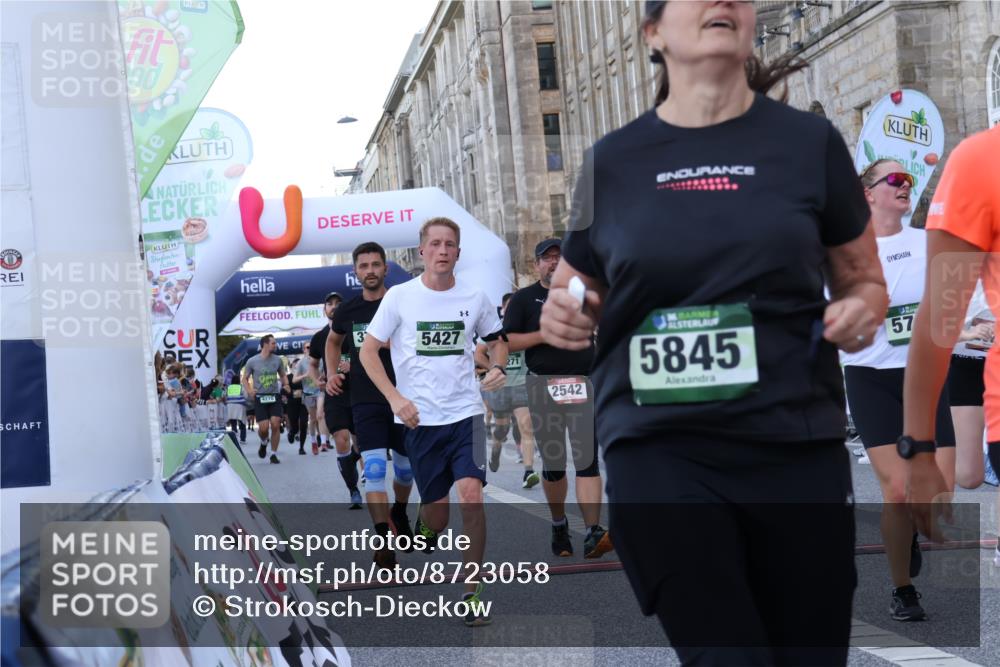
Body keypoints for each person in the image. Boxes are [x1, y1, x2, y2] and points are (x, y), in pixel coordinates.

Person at [540, 1, 886, 662]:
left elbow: (863, 279)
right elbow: (576, 286)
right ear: (654, 34)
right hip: (660, 447)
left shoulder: (809, 146)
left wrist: (862, 310)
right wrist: (567, 310)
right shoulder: (607, 163)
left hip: (793, 442)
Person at [361, 217, 508, 626]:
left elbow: (498, 341)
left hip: (467, 415)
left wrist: (498, 367)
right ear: (422, 252)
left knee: (472, 496)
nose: (443, 250)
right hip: (421, 422)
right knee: (438, 516)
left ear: (458, 253)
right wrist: (395, 399)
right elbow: (368, 353)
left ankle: (471, 592)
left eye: (450, 244)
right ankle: (426, 530)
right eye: (435, 244)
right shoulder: (400, 298)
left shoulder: (475, 297)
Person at [841, 159, 956, 622]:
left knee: (938, 492)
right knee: (898, 489)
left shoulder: (928, 243)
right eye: (895, 180)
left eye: (908, 178)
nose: (906, 185)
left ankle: (909, 529)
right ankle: (902, 589)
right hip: (870, 376)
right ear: (868, 193)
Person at [902, 125, 1000, 568]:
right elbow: (939, 319)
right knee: (967, 475)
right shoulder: (980, 160)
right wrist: (920, 446)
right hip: (977, 370)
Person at [505, 238, 609, 557]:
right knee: (553, 464)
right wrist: (543, 335)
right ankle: (559, 523)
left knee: (587, 460)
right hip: (543, 386)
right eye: (548, 258)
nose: (554, 262)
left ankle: (593, 531)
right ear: (537, 265)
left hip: (582, 382)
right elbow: (507, 341)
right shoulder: (524, 299)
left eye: (560, 257)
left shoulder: (585, 294)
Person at [327, 241, 415, 568]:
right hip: (364, 400)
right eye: (363, 266)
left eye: (375, 265)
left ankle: (399, 511)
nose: (370, 271)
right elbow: (334, 341)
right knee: (375, 469)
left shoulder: (403, 302)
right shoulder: (347, 311)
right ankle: (382, 538)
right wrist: (333, 371)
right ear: (355, 272)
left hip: (403, 398)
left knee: (406, 471)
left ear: (385, 268)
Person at [478, 292, 540, 489]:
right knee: (502, 430)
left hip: (521, 384)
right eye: (510, 307)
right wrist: (494, 368)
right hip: (500, 388)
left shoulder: (527, 328)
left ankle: (528, 471)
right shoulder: (495, 328)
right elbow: (478, 353)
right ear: (503, 309)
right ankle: (496, 450)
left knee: (526, 426)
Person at [310, 291, 363, 509]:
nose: (333, 307)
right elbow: (313, 364)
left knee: (361, 442)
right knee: (341, 438)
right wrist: (317, 381)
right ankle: (353, 490)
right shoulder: (320, 337)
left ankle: (355, 460)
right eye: (329, 304)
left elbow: (372, 354)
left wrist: (355, 365)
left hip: (360, 391)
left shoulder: (357, 329)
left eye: (338, 303)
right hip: (335, 393)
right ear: (324, 310)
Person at [948, 282, 994, 488]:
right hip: (965, 365)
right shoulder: (955, 272)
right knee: (968, 476)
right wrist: (970, 332)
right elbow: (933, 328)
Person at [242, 334, 290, 464]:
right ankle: (264, 442)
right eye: (273, 343)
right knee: (263, 429)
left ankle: (273, 454)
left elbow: (283, 375)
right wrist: (250, 391)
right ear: (265, 344)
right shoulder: (252, 361)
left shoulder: (277, 360)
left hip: (274, 396)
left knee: (275, 424)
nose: (276, 345)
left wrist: (286, 384)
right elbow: (244, 379)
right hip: (260, 397)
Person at [294, 346, 322, 455]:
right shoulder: (301, 363)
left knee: (321, 415)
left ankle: (322, 438)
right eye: (307, 347)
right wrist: (305, 375)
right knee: (313, 418)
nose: (310, 349)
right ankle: (314, 441)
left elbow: (327, 372)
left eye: (311, 346)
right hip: (308, 394)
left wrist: (322, 377)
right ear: (304, 350)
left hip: (320, 392)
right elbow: (294, 379)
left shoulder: (321, 359)